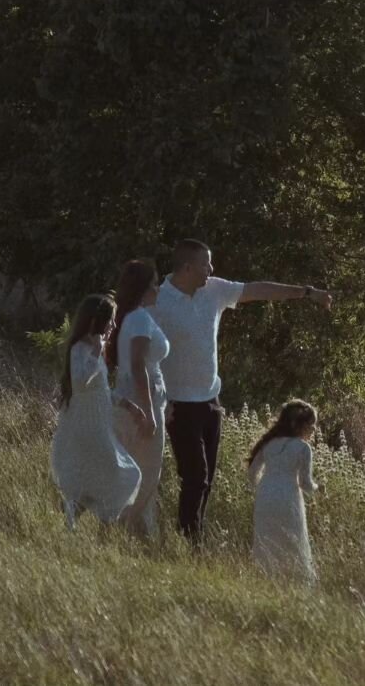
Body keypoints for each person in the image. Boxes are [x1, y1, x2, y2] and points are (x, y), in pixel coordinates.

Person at [151, 238, 333, 544]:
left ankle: (192, 536)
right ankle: (190, 540)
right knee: (195, 476)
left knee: (206, 480)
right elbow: (143, 349)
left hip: (210, 402)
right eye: (205, 263)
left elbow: (258, 290)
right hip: (177, 405)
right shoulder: (158, 301)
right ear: (186, 268)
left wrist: (307, 292)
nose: (211, 268)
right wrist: (156, 397)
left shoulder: (214, 290)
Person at [50, 293, 144, 531]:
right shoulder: (81, 349)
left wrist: (127, 404)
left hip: (98, 424)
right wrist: (96, 350)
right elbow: (81, 382)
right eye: (110, 320)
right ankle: (89, 518)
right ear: (98, 320)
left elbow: (100, 390)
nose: (113, 325)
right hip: (88, 426)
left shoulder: (92, 350)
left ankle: (74, 514)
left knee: (100, 478)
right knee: (125, 473)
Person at [108, 259, 167, 538]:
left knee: (131, 471)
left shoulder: (128, 317)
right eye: (155, 284)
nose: (158, 289)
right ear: (144, 289)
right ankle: (122, 530)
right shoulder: (141, 318)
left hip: (131, 398)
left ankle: (136, 533)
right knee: (147, 474)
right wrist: (150, 412)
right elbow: (138, 365)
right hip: (143, 402)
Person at [247, 400, 321, 584]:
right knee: (292, 541)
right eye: (311, 425)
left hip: (265, 496)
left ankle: (264, 581)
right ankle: (292, 583)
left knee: (266, 540)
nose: (313, 430)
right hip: (289, 497)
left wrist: (265, 487)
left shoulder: (268, 444)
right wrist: (319, 488)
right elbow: (305, 484)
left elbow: (252, 473)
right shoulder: (303, 449)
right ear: (299, 425)